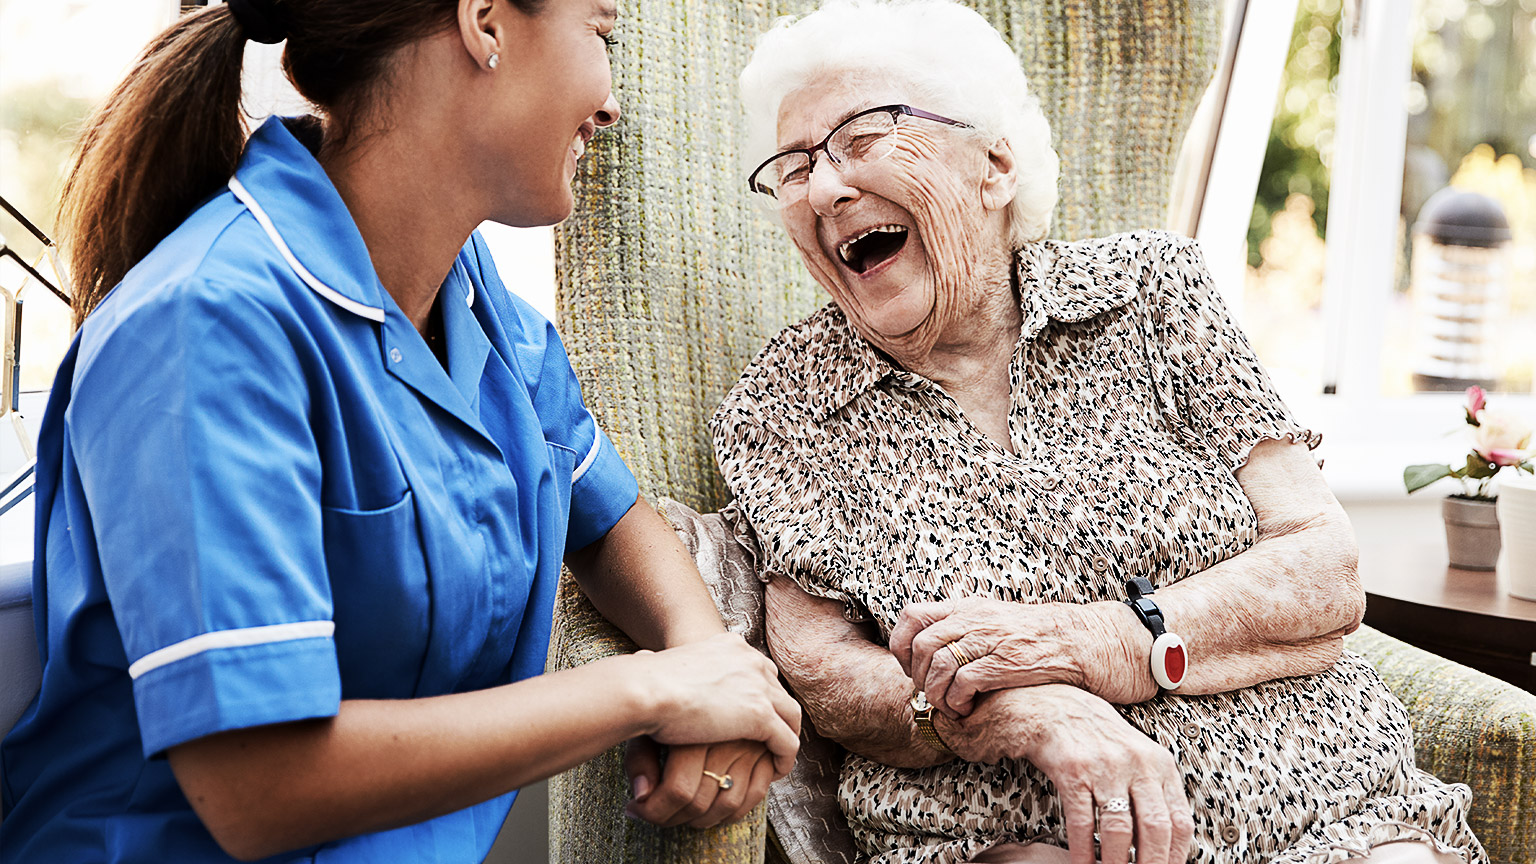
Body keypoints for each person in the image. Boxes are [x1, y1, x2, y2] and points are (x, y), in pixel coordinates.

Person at [0, 0, 801, 861]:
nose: (611, 103)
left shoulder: (471, 298)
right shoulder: (204, 324)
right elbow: (255, 786)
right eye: (600, 36)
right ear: (486, 22)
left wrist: (709, 658)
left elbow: (606, 518)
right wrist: (651, 690)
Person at [711, 1, 1485, 863]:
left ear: (994, 165)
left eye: (862, 139)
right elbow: (825, 672)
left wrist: (1101, 644)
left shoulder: (1153, 291)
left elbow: (1323, 567)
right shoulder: (785, 404)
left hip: (1338, 808)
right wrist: (1022, 710)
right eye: (794, 166)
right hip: (1018, 830)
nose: (824, 188)